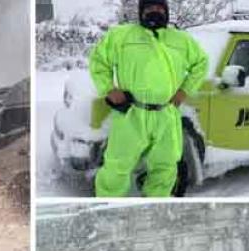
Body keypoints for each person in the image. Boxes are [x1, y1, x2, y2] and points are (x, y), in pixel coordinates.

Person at [89, 0, 208, 197]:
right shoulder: (121, 36)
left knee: (166, 168)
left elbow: (201, 64)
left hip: (166, 115)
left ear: (167, 11)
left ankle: (154, 206)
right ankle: (107, 206)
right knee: (116, 168)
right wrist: (109, 89)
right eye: (150, 7)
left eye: (160, 8)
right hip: (132, 115)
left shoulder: (181, 40)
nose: (156, 11)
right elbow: (99, 61)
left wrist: (184, 90)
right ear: (141, 11)